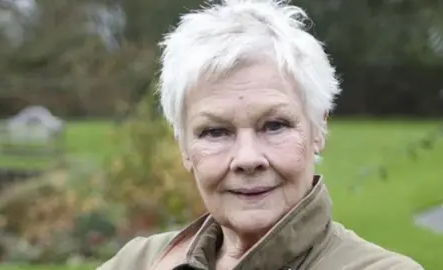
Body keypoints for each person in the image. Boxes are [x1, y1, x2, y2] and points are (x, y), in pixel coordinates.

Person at [97, 1, 424, 269]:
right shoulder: (139, 261)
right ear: (183, 145)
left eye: (275, 125)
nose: (248, 159)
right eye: (215, 132)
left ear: (317, 129)